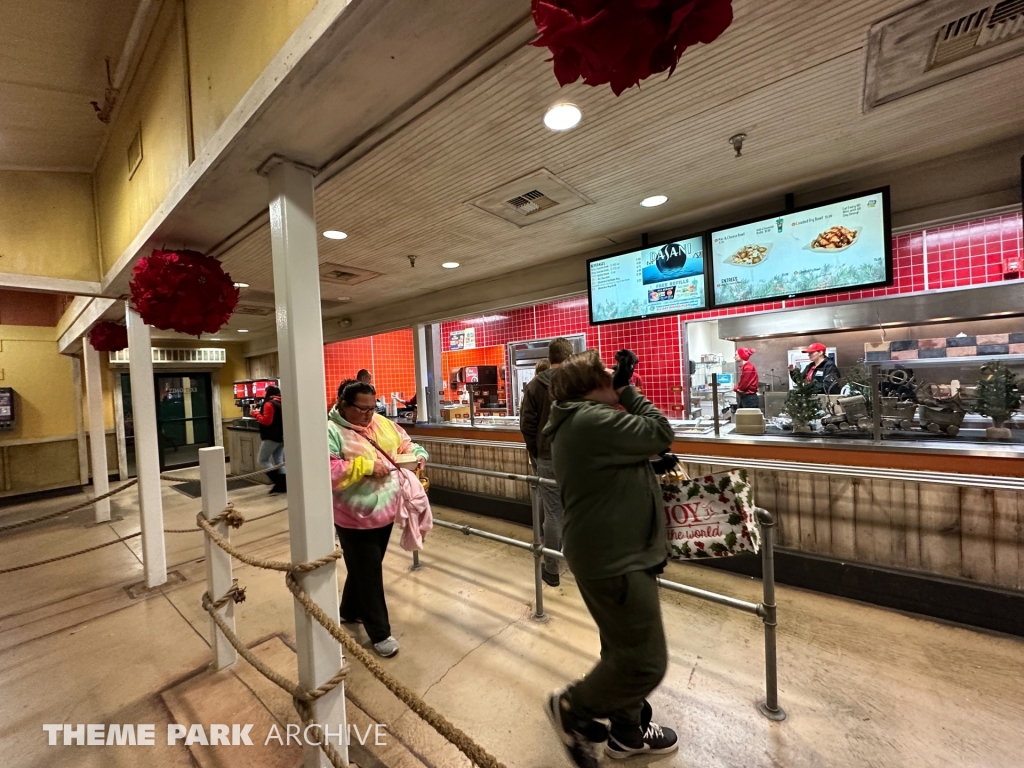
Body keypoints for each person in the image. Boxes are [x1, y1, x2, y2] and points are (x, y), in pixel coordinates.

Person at [542, 349, 679, 766]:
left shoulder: (582, 421)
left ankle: (627, 732)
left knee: (622, 651)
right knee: (645, 663)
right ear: (591, 385)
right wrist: (629, 391)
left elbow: (621, 460)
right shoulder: (589, 419)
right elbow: (660, 431)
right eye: (606, 375)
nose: (614, 379)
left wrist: (647, 466)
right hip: (616, 556)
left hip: (615, 550)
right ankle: (572, 707)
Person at [328, 379, 428, 658]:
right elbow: (328, 470)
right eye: (363, 409)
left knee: (365, 568)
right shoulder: (331, 431)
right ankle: (380, 633)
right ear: (344, 405)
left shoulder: (383, 424)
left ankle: (348, 611)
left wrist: (418, 455)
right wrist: (367, 466)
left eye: (374, 408)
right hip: (353, 517)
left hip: (385, 513)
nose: (369, 415)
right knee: (370, 572)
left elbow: (406, 444)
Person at [519, 338, 573, 587]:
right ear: (571, 355)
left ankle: (551, 570)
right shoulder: (579, 383)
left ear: (549, 356)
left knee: (553, 514)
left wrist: (536, 451)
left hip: (547, 457)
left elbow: (527, 425)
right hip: (577, 459)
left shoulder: (533, 386)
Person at [252, 385, 285, 494]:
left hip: (270, 437)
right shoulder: (282, 402)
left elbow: (267, 421)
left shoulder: (269, 404)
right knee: (279, 461)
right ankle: (285, 483)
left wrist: (255, 414)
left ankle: (278, 482)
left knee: (263, 460)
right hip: (281, 437)